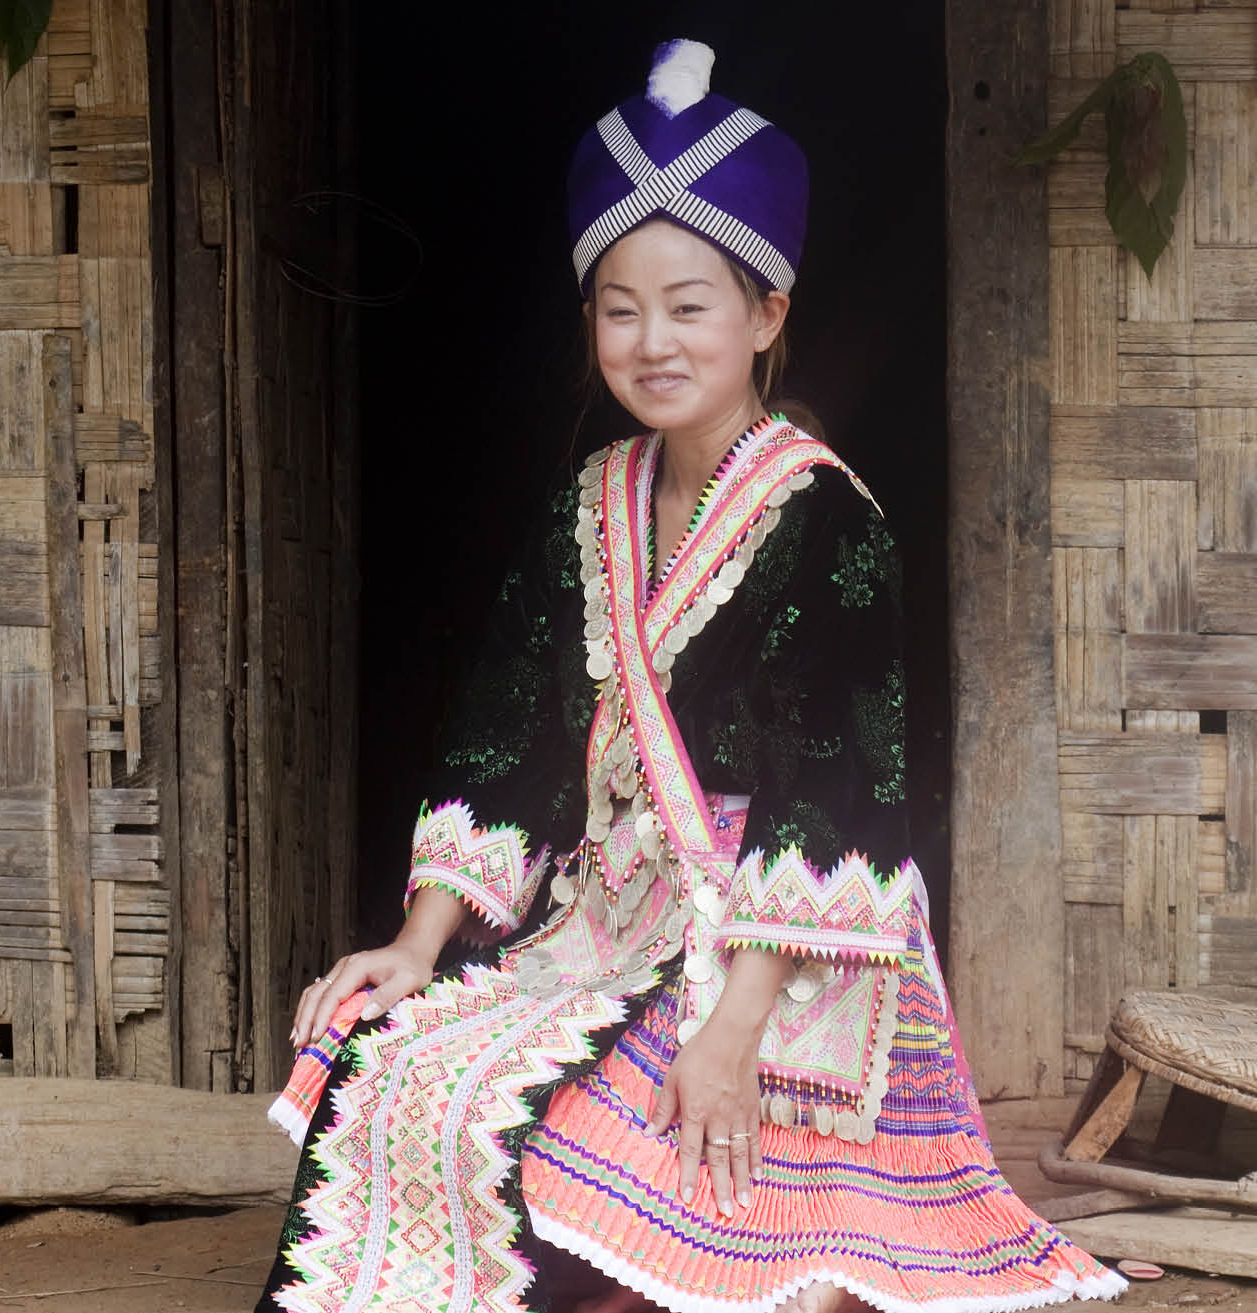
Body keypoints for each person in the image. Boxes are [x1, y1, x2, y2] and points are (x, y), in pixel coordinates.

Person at [259, 40, 1126, 1313]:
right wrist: (417, 936)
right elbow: (508, 737)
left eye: (690, 303)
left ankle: (789, 1251)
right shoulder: (589, 505)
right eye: (620, 307)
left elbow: (833, 799)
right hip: (611, 916)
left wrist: (729, 1033)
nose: (652, 340)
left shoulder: (826, 523)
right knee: (388, 1051)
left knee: (617, 1152)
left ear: (766, 314)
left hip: (777, 934)